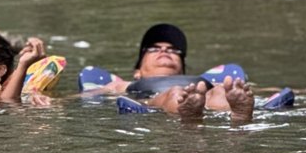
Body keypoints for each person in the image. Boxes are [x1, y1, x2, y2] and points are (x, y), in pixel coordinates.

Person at [98, 23, 256, 124]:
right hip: (155, 98)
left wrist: (239, 93)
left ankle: (239, 115)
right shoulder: (123, 84)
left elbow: (248, 90)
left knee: (221, 91)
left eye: (173, 50)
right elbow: (92, 94)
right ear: (137, 72)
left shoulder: (201, 82)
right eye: (154, 49)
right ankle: (189, 115)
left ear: (182, 69)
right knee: (175, 93)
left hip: (199, 93)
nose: (164, 51)